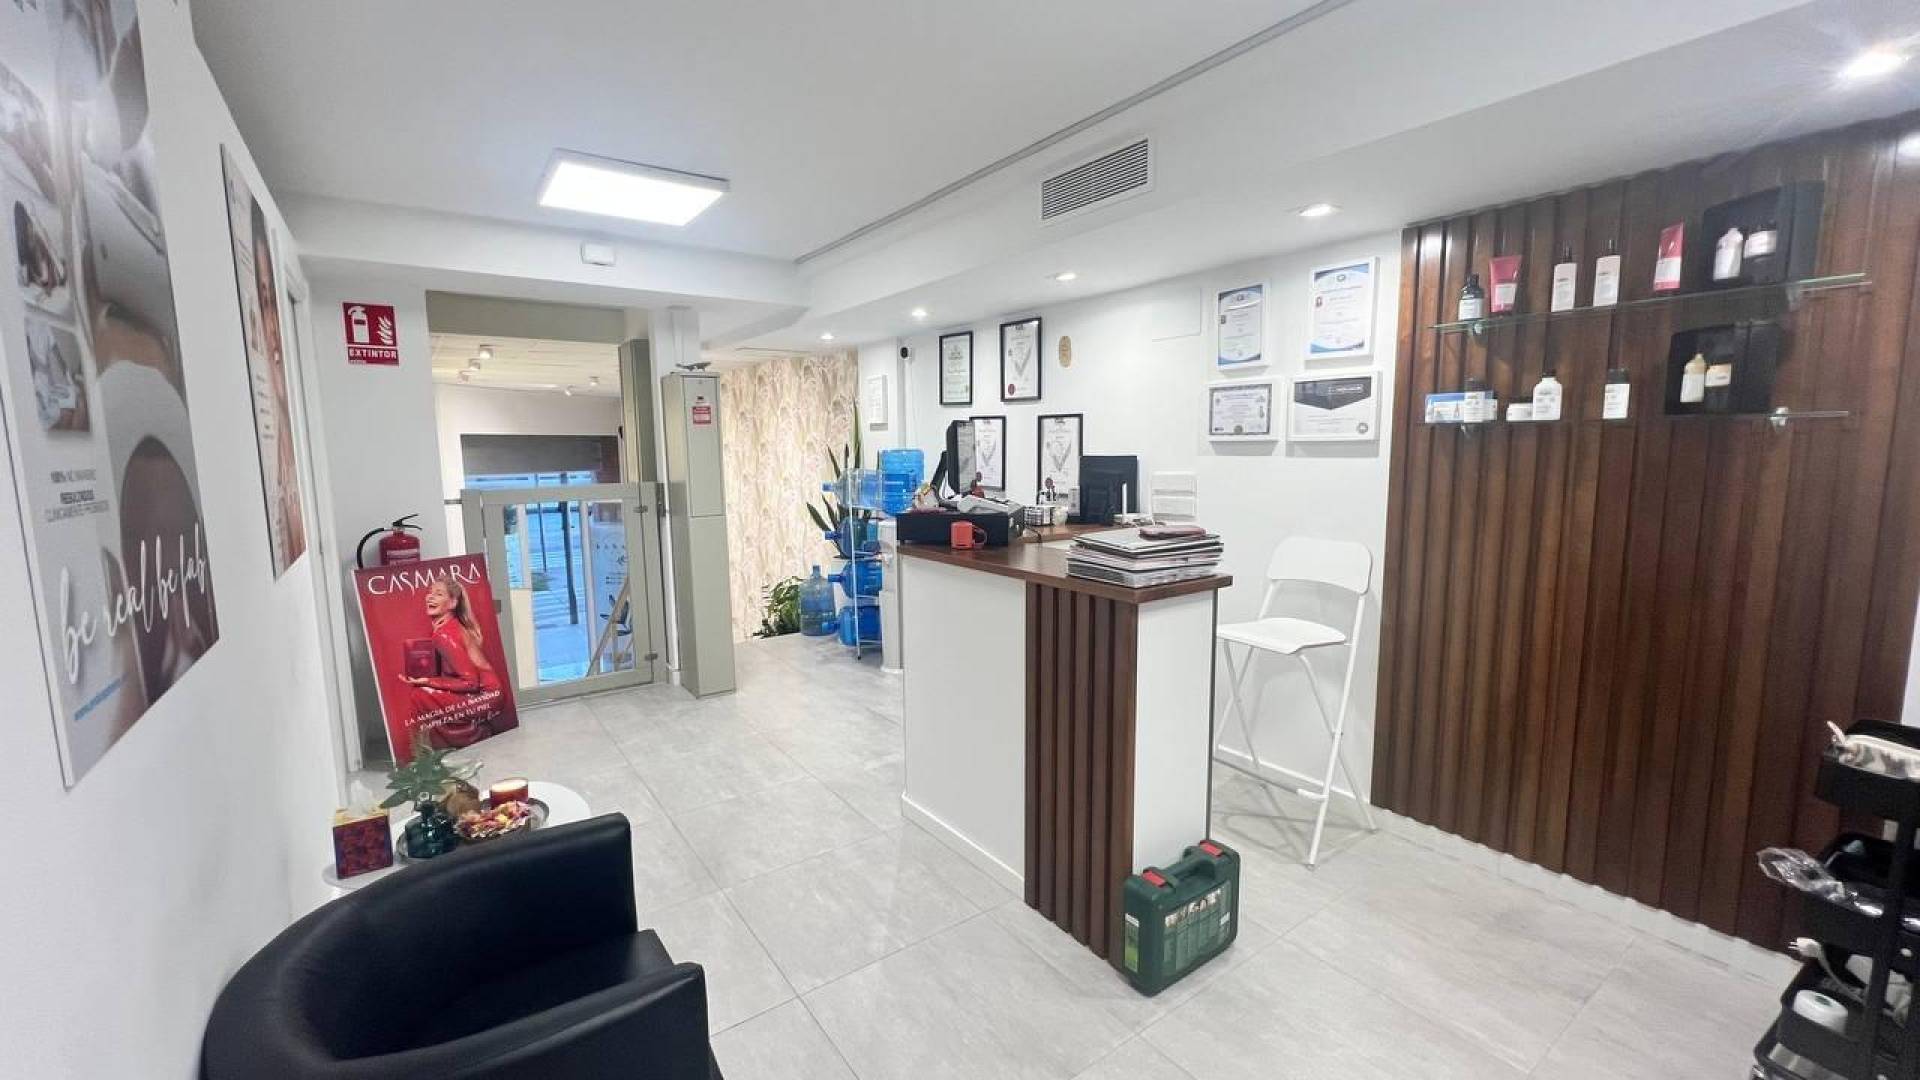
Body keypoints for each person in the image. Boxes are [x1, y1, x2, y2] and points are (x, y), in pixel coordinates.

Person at [402, 576, 502, 748]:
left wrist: (428, 681)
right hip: (490, 694)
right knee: (422, 693)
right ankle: (464, 738)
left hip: (486, 697)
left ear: (453, 603)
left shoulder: (444, 634)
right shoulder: (449, 627)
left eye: (439, 594)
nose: (430, 597)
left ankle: (436, 750)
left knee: (420, 695)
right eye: (430, 593)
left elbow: (471, 683)